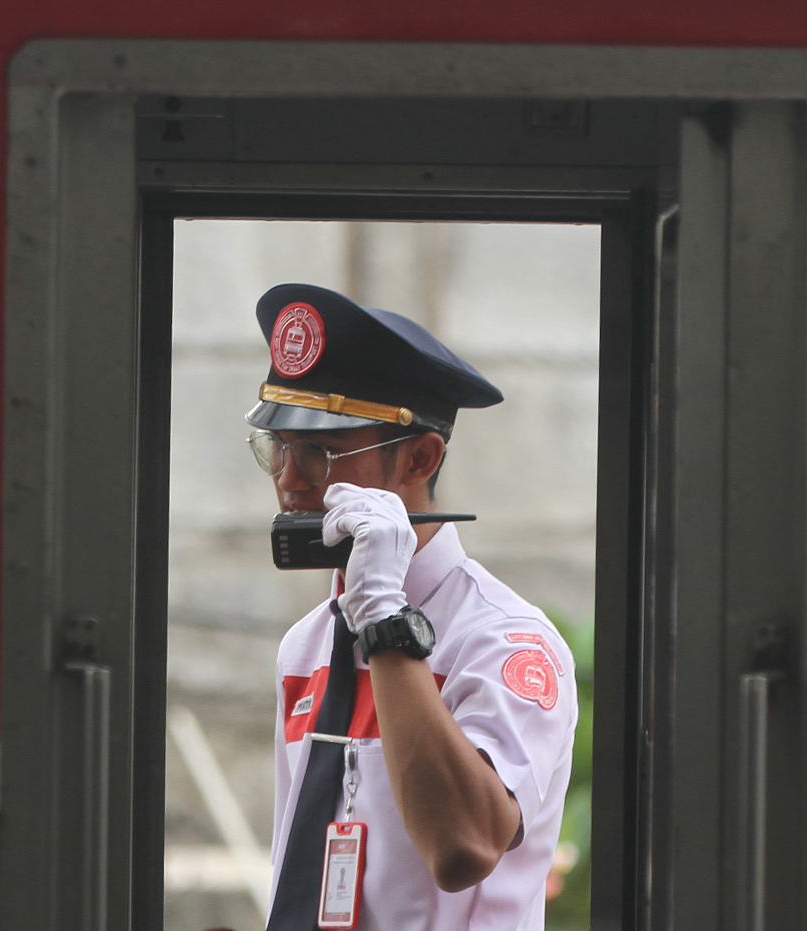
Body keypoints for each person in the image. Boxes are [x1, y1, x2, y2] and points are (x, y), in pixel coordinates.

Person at [246, 284, 577, 931]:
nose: (290, 479)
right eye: (279, 448)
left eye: (320, 450)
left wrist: (387, 623)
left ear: (420, 457)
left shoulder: (504, 641)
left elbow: (465, 845)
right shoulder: (307, 644)